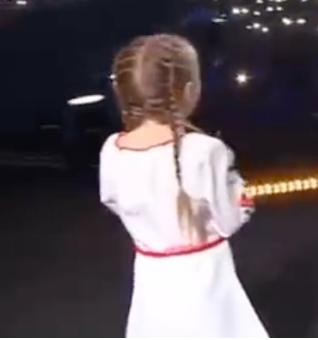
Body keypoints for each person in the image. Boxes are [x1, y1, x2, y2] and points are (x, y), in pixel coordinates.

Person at [98, 34, 266, 338]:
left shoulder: (112, 148)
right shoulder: (205, 150)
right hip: (206, 276)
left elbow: (111, 200)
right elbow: (227, 221)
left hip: (152, 275)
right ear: (189, 90)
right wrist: (242, 197)